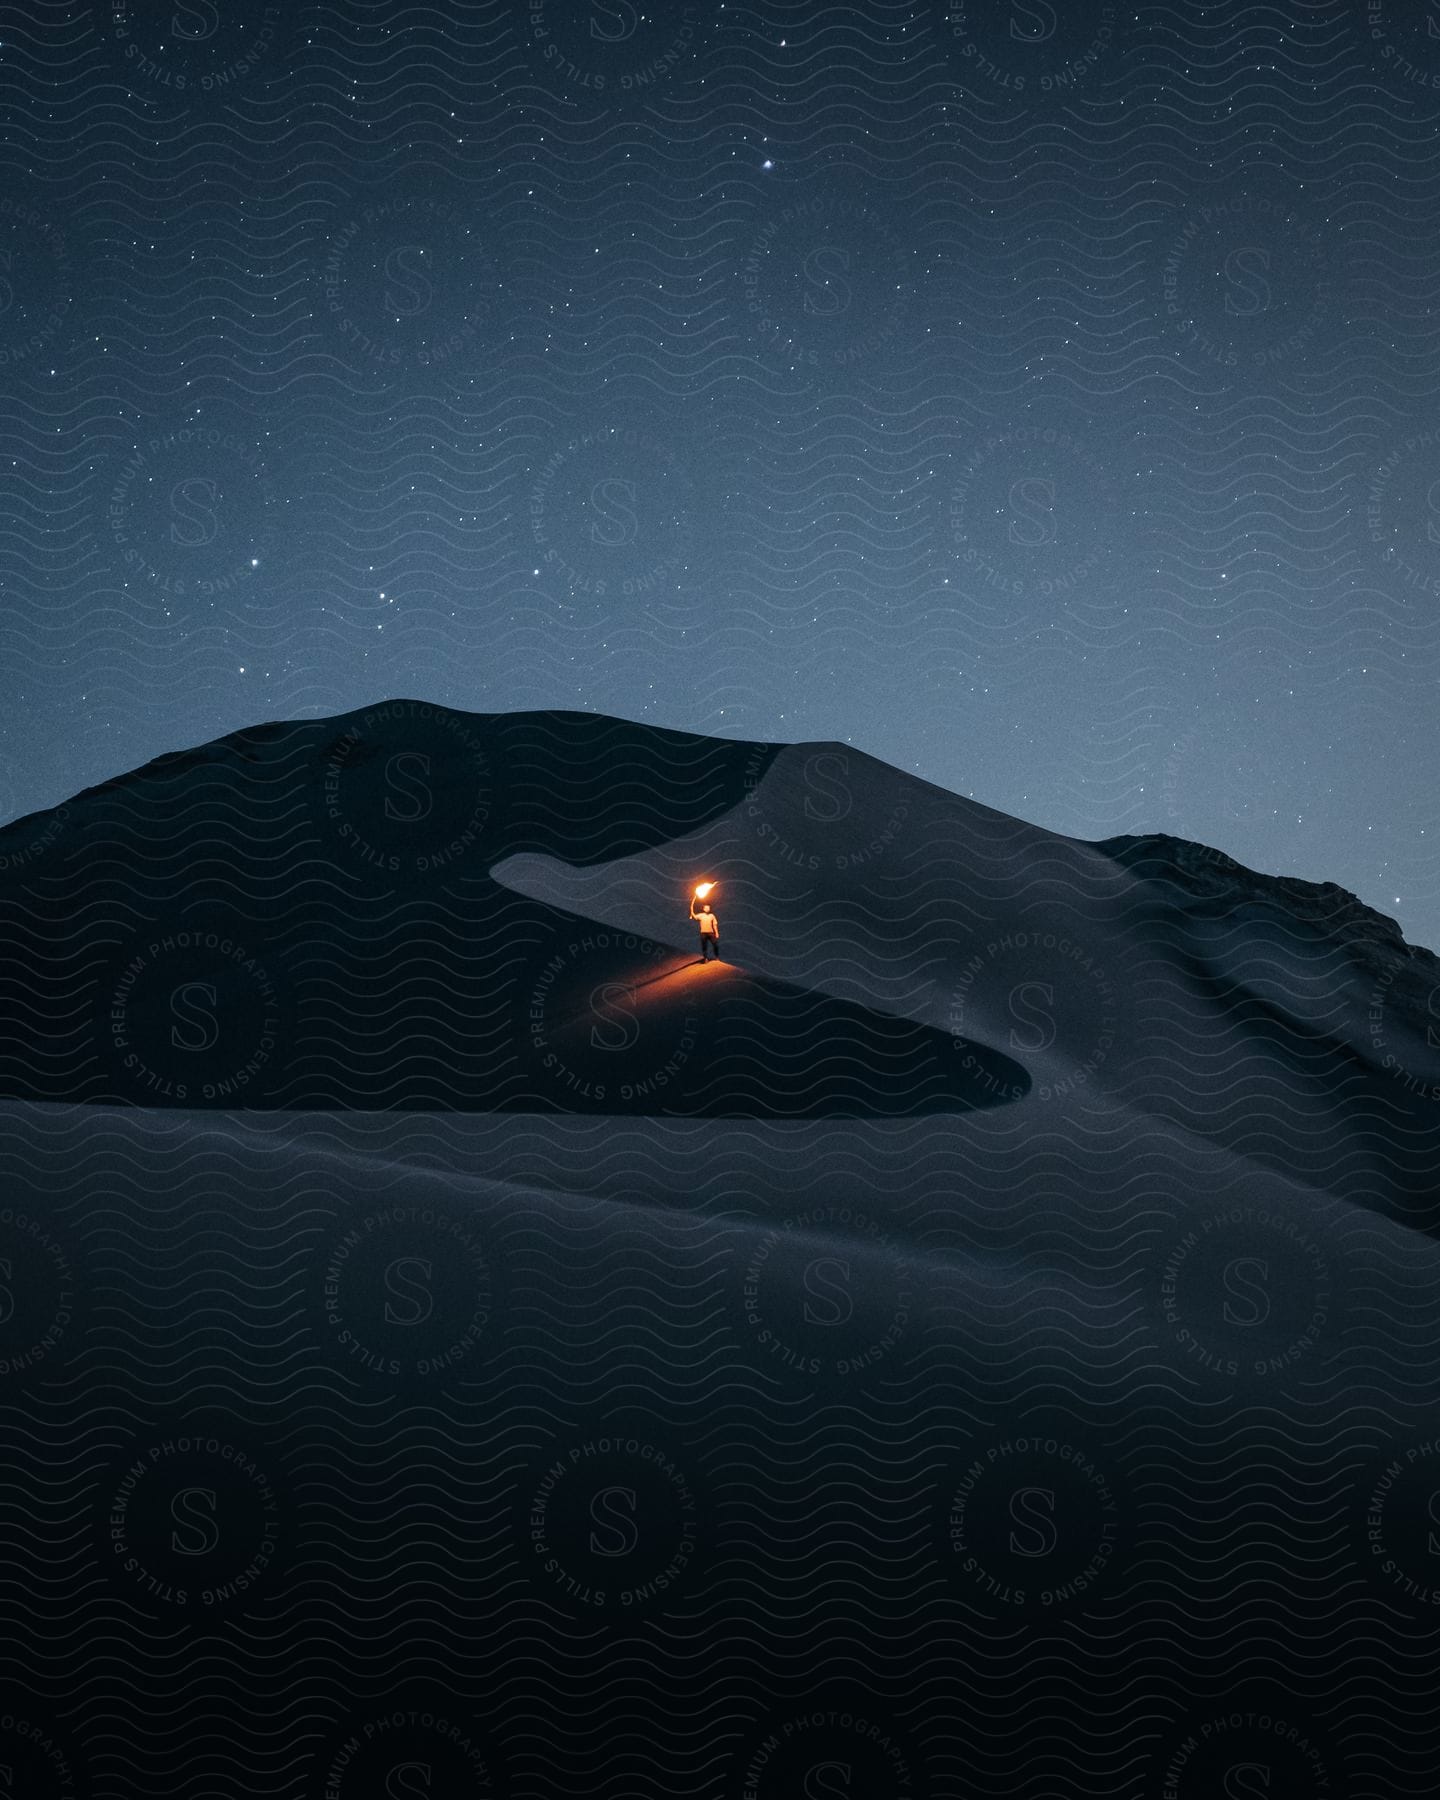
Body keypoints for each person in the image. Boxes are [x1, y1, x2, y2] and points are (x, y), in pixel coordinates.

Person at [690, 895, 721, 962]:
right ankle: (705, 958)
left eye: (708, 908)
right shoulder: (701, 915)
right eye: (706, 908)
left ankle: (717, 957)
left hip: (711, 932)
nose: (707, 909)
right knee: (704, 946)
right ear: (704, 909)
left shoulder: (712, 915)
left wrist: (717, 933)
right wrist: (691, 910)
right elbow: (695, 917)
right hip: (703, 933)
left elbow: (715, 924)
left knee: (715, 944)